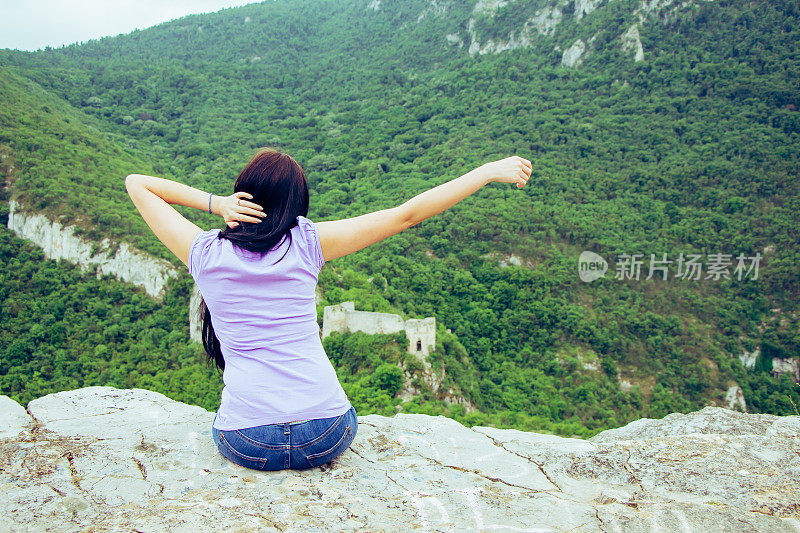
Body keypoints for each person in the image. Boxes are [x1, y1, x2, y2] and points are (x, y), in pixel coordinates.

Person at [125, 148, 532, 471]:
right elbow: (407, 214)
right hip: (327, 433)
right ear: (296, 205)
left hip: (246, 440)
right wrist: (488, 171)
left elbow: (137, 184)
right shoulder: (306, 243)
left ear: (243, 195)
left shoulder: (205, 253)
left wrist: (216, 204)